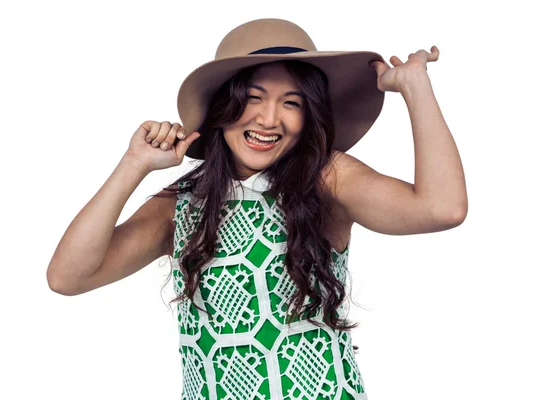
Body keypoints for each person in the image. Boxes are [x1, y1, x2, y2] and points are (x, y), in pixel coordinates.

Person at [47, 18, 467, 400]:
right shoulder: (182, 204)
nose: (269, 119)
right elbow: (68, 277)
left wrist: (415, 86)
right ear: (222, 106)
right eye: (253, 97)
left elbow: (441, 208)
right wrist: (134, 165)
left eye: (292, 102)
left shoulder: (327, 177)